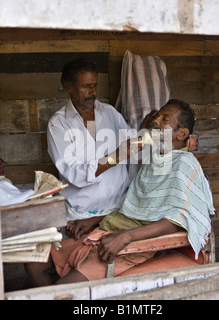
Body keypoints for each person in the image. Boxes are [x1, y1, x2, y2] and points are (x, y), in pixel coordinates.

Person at [25, 99, 215, 287]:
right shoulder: (155, 160)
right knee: (34, 262)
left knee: (62, 289)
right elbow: (138, 210)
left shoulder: (183, 164)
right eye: (157, 116)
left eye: (165, 119)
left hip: (130, 245)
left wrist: (125, 237)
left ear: (182, 133)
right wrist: (95, 220)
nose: (155, 121)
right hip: (109, 229)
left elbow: (175, 220)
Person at [47, 58, 143, 235]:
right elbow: (73, 173)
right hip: (78, 216)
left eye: (95, 85)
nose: (93, 92)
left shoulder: (110, 113)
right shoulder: (58, 125)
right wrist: (116, 156)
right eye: (86, 86)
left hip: (116, 211)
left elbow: (134, 147)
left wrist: (146, 133)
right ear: (68, 86)